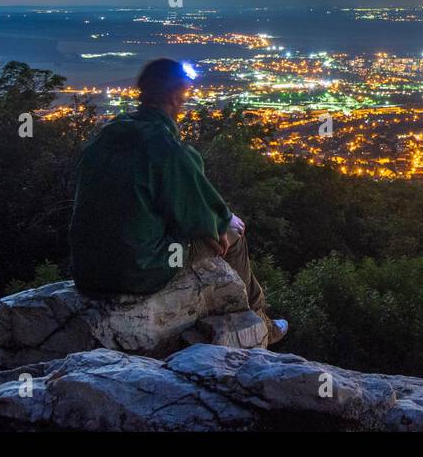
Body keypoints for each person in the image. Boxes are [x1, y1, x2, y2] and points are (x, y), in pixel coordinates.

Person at [69, 58, 287, 346]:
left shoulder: (108, 134)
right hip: (135, 272)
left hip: (86, 270)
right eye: (185, 92)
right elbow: (205, 220)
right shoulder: (169, 149)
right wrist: (223, 220)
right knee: (235, 237)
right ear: (174, 95)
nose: (187, 99)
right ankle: (261, 322)